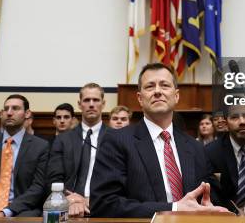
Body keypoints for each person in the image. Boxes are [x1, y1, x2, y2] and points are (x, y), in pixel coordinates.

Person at [90, 63, 229, 217]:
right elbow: (103, 204)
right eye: (150, 86)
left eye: (164, 85)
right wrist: (173, 208)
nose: (157, 91)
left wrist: (208, 207)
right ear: (140, 98)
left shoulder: (195, 147)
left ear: (176, 96)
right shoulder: (117, 141)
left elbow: (212, 198)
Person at [47, 83, 109, 217]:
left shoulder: (115, 138)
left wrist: (90, 201)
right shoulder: (63, 140)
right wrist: (71, 200)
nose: (91, 104)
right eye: (86, 100)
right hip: (69, 205)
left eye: (96, 100)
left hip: (103, 206)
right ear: (79, 104)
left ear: (103, 104)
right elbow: (54, 178)